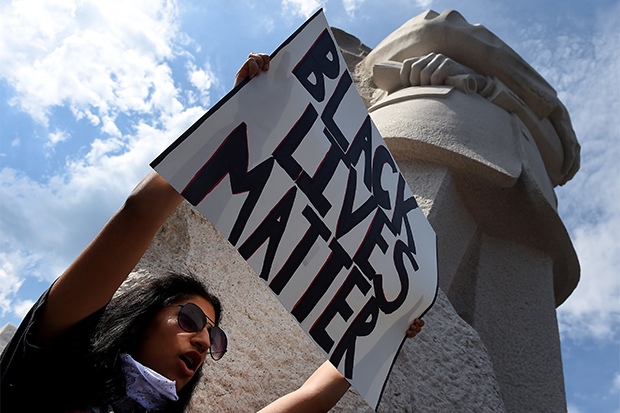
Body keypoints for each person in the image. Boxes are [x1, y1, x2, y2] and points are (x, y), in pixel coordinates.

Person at [0, 53, 424, 413]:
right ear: (139, 320)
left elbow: (307, 400)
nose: (204, 340)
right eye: (190, 319)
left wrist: (379, 332)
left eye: (212, 335)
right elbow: (138, 214)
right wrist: (235, 117)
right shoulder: (49, 356)